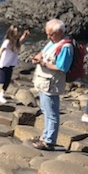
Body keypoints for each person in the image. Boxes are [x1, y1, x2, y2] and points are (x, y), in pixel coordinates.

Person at [31, 19, 73, 151]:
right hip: (43, 82)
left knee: (52, 113)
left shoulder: (66, 47)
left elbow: (63, 67)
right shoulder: (53, 42)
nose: (48, 37)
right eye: (47, 34)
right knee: (45, 110)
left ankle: (49, 141)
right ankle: (45, 136)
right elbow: (43, 53)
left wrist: (43, 63)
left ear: (60, 32)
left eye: (51, 34)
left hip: (52, 84)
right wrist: (37, 57)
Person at [0, 25, 29, 103]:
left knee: (7, 80)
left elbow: (20, 40)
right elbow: (0, 51)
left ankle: (1, 95)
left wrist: (24, 36)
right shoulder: (7, 42)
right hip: (3, 63)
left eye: (18, 32)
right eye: (16, 32)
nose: (18, 33)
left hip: (10, 63)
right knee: (1, 79)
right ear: (12, 33)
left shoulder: (16, 42)